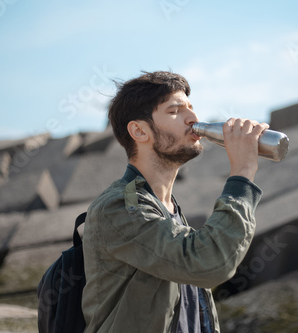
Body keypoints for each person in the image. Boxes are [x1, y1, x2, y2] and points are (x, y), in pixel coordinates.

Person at [81, 71, 269, 332]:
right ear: (139, 131)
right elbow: (210, 262)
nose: (193, 118)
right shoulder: (120, 207)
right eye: (175, 111)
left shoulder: (166, 207)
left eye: (190, 108)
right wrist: (243, 173)